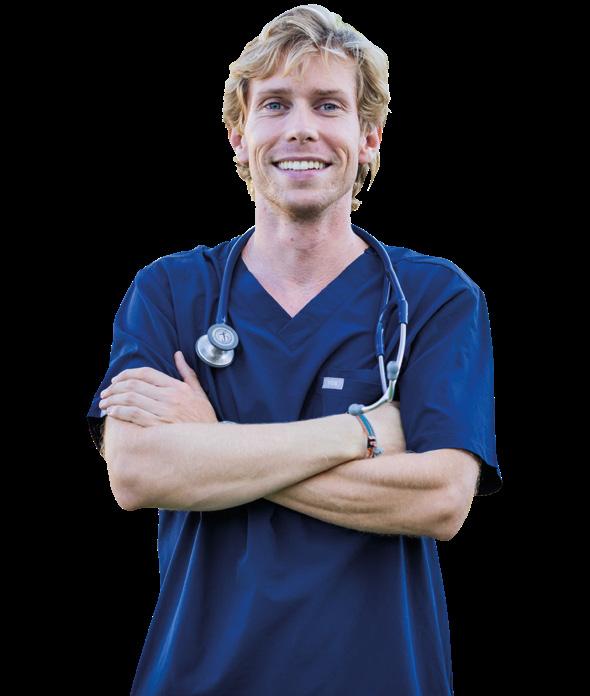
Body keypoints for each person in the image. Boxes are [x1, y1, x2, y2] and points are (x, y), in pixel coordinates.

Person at [87, 5, 502, 694]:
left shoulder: (435, 298)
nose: (301, 127)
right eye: (276, 104)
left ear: (368, 137)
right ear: (239, 134)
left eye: (328, 105)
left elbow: (441, 499)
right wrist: (365, 432)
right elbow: (135, 473)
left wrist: (211, 444)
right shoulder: (169, 291)